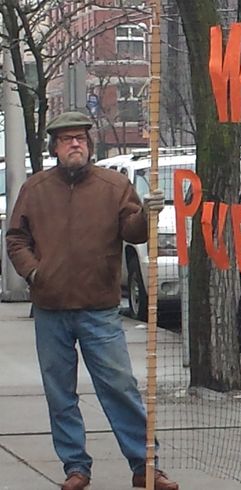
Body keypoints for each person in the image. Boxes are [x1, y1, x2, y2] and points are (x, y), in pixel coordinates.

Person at [5, 111, 178, 490]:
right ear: (54, 147)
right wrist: (35, 273)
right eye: (67, 139)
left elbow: (133, 232)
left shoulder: (113, 185)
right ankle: (75, 467)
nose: (75, 145)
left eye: (81, 138)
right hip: (51, 310)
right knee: (60, 394)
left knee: (119, 387)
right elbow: (16, 238)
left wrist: (148, 214)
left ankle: (145, 465)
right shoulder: (35, 190)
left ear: (90, 144)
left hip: (99, 309)